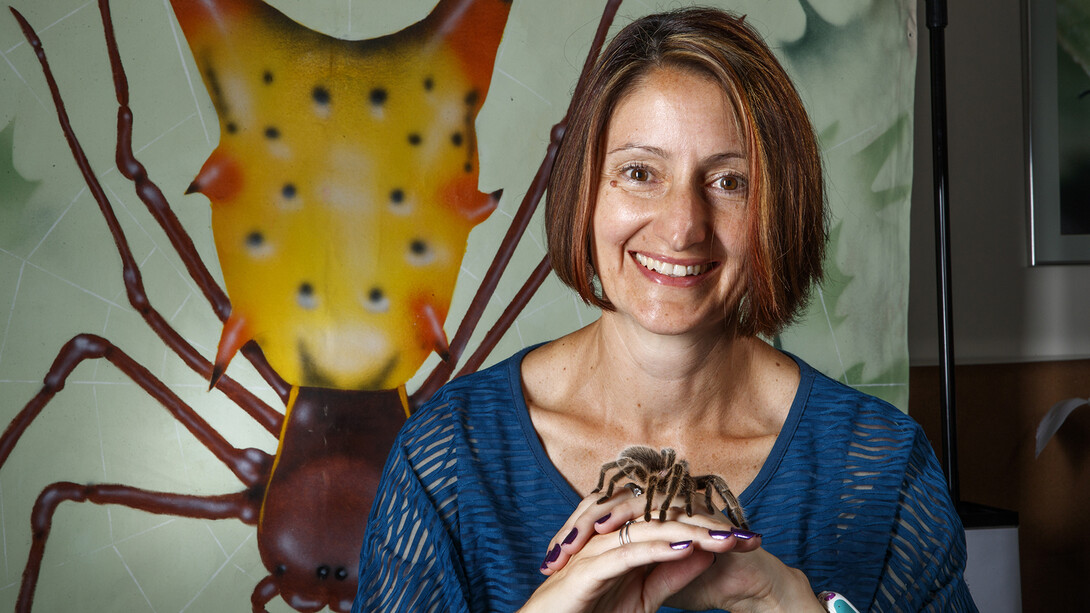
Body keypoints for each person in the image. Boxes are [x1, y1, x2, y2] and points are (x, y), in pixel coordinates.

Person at [352, 7, 977, 612]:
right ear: (585, 192)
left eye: (730, 181)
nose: (682, 226)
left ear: (779, 210)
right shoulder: (447, 457)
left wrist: (780, 602)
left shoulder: (882, 470)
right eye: (639, 172)